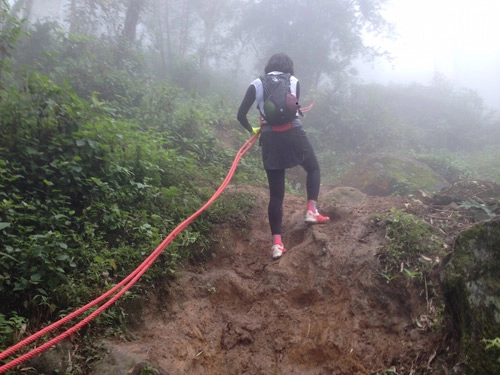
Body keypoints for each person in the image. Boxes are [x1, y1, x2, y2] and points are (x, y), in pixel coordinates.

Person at [237, 52, 329, 260]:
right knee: (313, 168)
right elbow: (293, 106)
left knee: (276, 195)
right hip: (294, 132)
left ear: (269, 66)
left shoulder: (256, 84)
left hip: (270, 137)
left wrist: (253, 130)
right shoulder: (293, 81)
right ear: (288, 66)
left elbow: (240, 115)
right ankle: (311, 210)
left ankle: (277, 244)